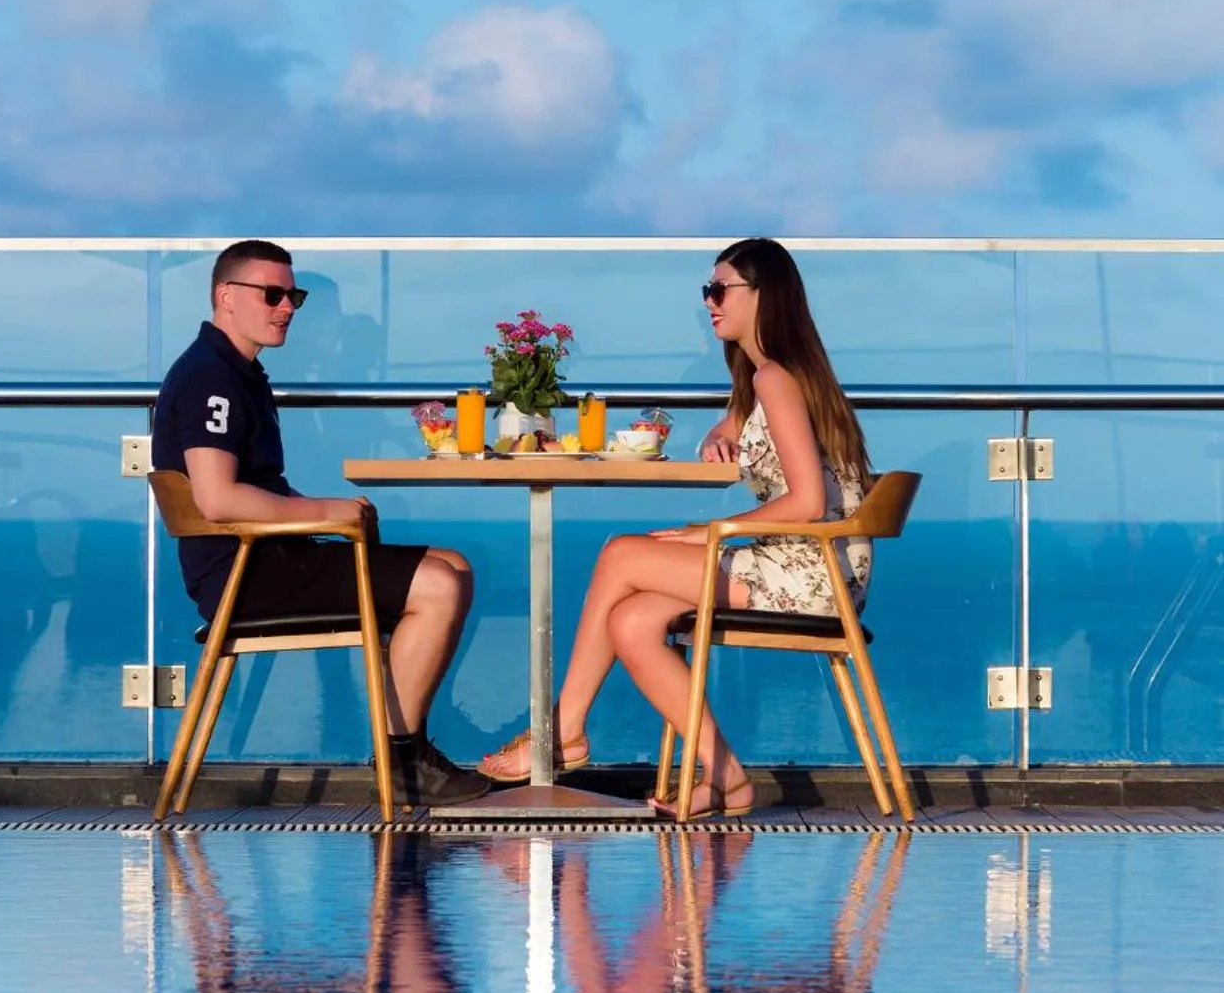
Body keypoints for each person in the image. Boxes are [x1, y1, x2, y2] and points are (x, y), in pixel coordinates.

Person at [480, 237, 872, 816]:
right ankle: (728, 776)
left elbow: (809, 499)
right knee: (632, 621)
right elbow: (749, 425)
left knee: (620, 554)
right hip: (809, 563)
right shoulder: (770, 376)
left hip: (811, 571)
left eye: (721, 289)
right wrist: (723, 429)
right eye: (706, 291)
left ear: (764, 295)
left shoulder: (776, 380)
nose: (710, 302)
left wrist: (712, 530)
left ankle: (563, 730)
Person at [152, 239, 489, 805]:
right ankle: (403, 760)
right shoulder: (212, 378)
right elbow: (217, 499)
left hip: (271, 557)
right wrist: (323, 511)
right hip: (245, 575)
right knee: (439, 584)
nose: (287, 307)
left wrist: (319, 508)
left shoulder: (239, 372)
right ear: (225, 297)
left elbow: (253, 488)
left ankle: (409, 741)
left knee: (455, 564)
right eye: (273, 294)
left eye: (294, 296)